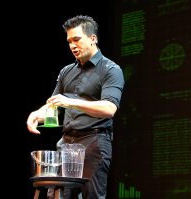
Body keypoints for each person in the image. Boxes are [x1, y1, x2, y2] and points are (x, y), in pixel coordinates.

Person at [26, 15, 124, 199]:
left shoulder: (111, 70)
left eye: (77, 39)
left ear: (92, 38)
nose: (72, 45)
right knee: (56, 194)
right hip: (67, 143)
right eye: (69, 41)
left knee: (91, 196)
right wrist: (36, 115)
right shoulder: (66, 71)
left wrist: (70, 101)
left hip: (94, 142)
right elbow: (52, 105)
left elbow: (109, 109)